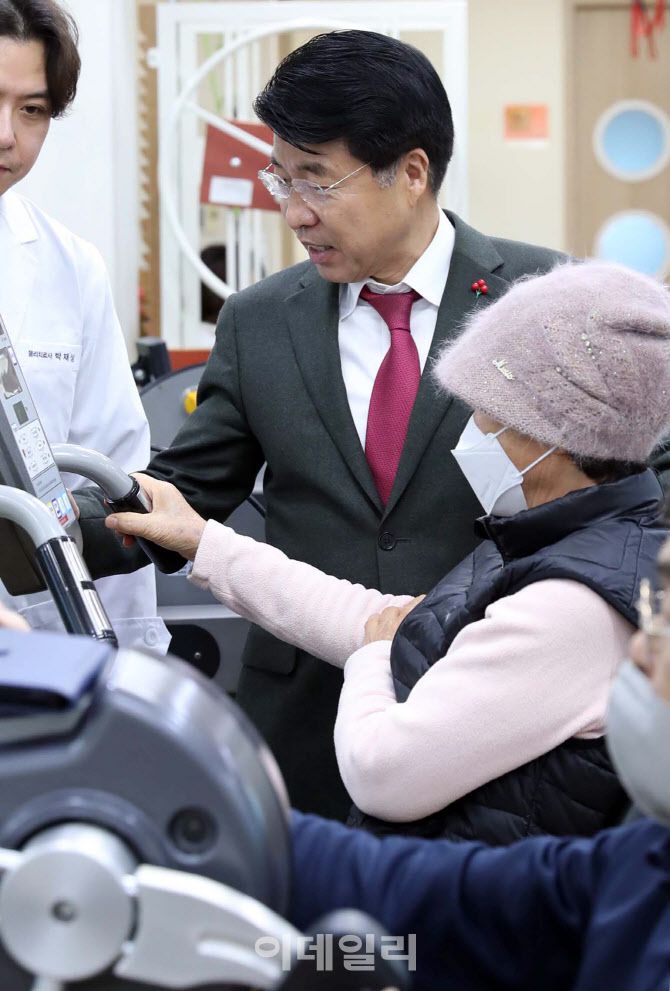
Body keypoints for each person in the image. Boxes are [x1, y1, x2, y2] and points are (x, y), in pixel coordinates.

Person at [75, 29, 566, 821]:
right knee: (308, 910)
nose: (295, 213)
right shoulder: (260, 320)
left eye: (318, 180)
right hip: (306, 726)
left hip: (493, 722)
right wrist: (47, 527)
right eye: (282, 178)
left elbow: (641, 487)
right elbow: (185, 492)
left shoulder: (542, 297)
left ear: (412, 173)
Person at [105, 261, 670, 845]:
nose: (475, 427)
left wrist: (373, 660)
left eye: (490, 411)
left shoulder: (570, 605)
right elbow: (394, 622)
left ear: (552, 435)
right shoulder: (564, 543)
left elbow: (382, 773)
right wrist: (202, 542)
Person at [284, 543, 670, 991]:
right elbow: (456, 895)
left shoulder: (574, 602)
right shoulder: (644, 858)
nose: (640, 647)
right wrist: (262, 832)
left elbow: (380, 770)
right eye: (659, 604)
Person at [0, 0, 169, 653]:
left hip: (43, 641)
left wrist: (127, 661)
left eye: (32, 110)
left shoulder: (69, 266)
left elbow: (112, 475)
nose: (8, 135)